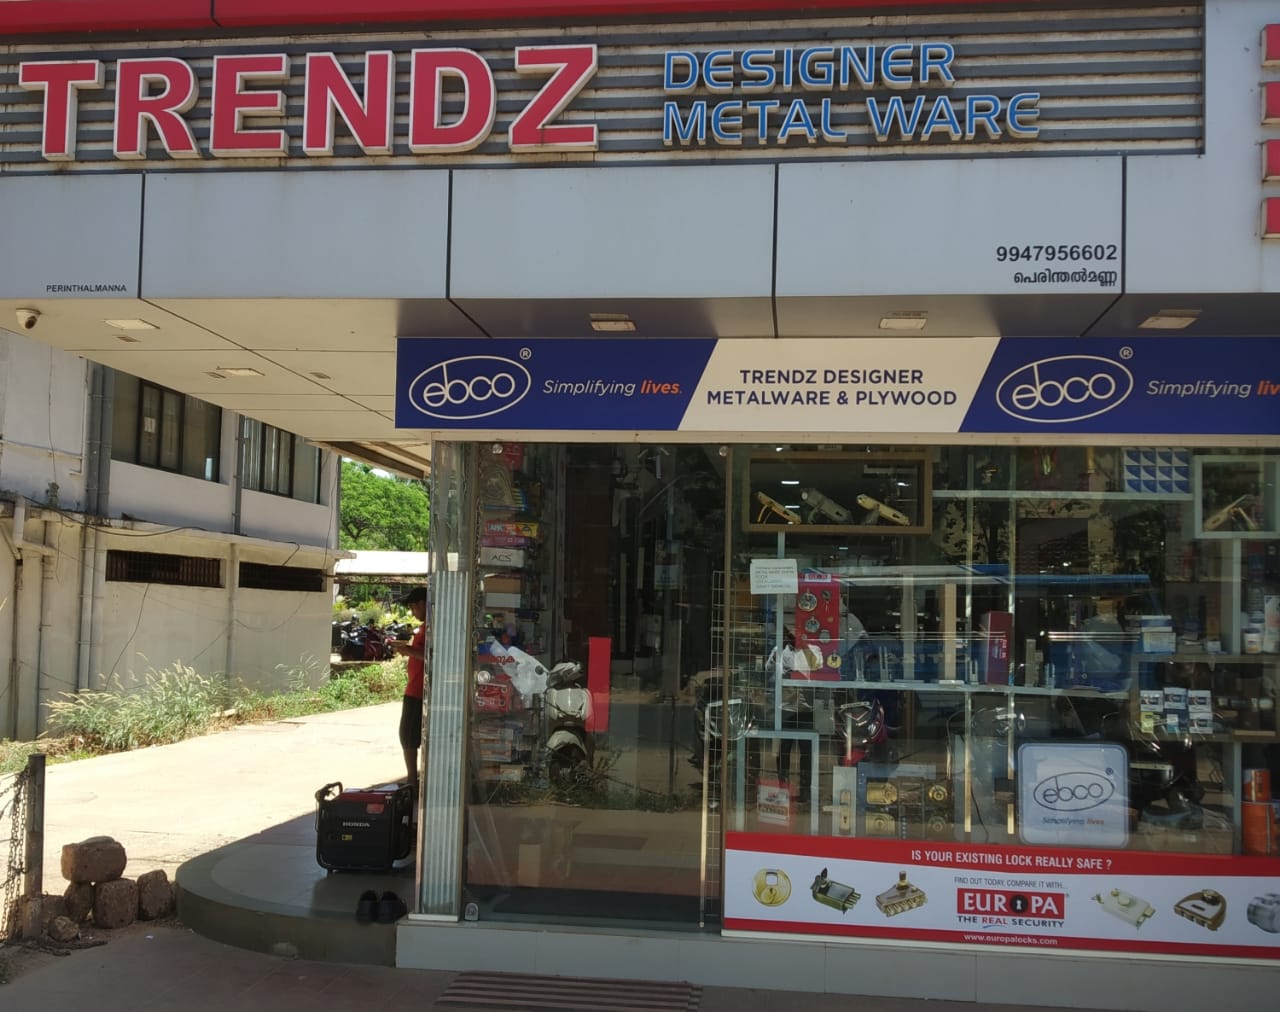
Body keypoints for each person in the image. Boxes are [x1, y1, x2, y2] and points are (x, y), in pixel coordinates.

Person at [390, 585, 430, 795]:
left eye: (414, 608)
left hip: (418, 690)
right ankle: (413, 779)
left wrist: (407, 650)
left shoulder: (432, 627)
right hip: (415, 687)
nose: (413, 613)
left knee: (408, 735)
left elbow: (430, 655)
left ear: (422, 604)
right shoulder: (425, 627)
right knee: (409, 735)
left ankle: (412, 781)